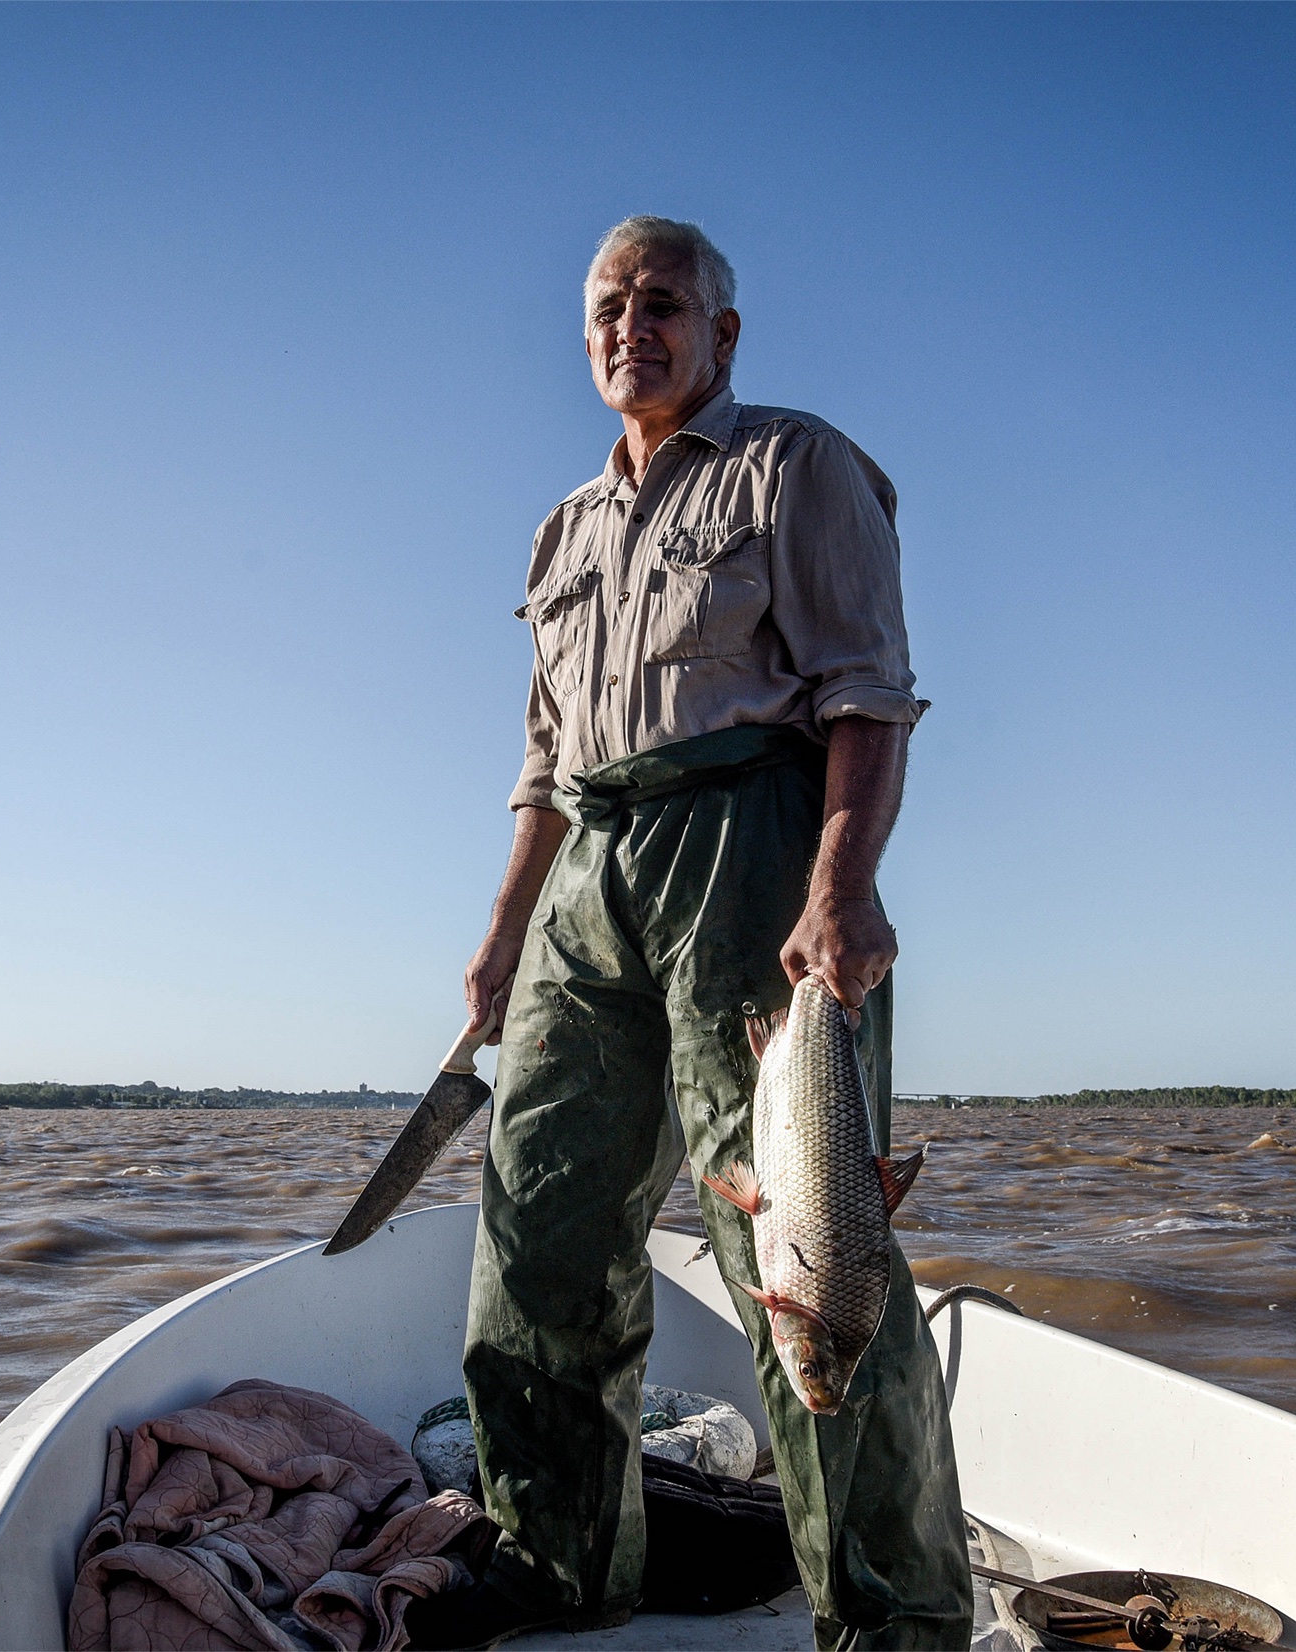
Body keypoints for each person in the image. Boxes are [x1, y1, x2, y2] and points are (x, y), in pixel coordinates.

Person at [406, 217, 971, 1650]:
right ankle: (560, 1561)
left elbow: (868, 695)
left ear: (725, 334)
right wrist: (499, 937)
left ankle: (890, 1621)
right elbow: (543, 767)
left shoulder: (798, 466)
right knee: (539, 1223)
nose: (630, 327)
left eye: (665, 304)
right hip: (589, 869)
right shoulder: (564, 531)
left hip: (754, 845)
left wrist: (842, 878)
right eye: (607, 306)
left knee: (807, 1254)